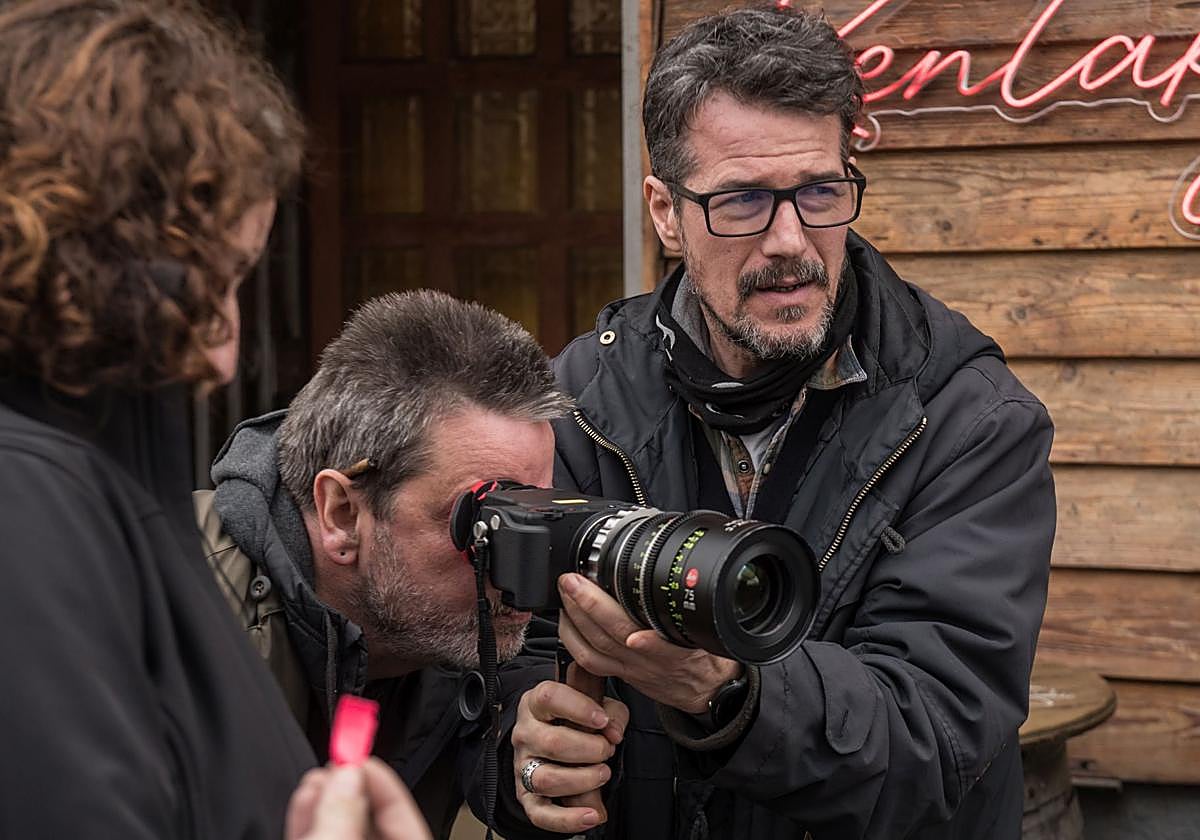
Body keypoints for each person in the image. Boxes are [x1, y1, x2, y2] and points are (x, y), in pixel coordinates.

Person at [497, 5, 1056, 840]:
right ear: (663, 211)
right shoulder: (576, 399)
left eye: (821, 192)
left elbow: (934, 741)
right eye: (745, 202)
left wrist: (728, 693)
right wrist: (520, 746)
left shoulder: (969, 421)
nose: (791, 241)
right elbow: (490, 657)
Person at [195, 289, 574, 838]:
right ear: (343, 514)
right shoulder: (161, 612)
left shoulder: (446, 625)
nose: (522, 564)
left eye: (540, 512)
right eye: (483, 519)